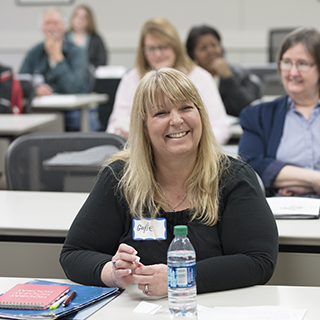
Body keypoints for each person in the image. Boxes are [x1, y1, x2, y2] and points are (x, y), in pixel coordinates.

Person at [60, 68, 278, 296]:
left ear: (201, 115)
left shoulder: (233, 177)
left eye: (186, 108)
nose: (176, 120)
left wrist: (180, 277)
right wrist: (112, 272)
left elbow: (258, 261)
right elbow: (74, 253)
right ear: (143, 125)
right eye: (161, 113)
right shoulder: (119, 177)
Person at [106, 17, 231, 145]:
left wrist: (194, 146)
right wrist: (122, 135)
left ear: (176, 47)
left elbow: (221, 127)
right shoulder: (131, 80)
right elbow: (113, 127)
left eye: (163, 47)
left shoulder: (200, 77)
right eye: (151, 49)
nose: (158, 54)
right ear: (143, 52)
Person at [239, 27, 320, 197]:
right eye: (287, 62)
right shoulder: (258, 116)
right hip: (285, 213)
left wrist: (285, 176)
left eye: (303, 64)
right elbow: (251, 166)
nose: (293, 72)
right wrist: (315, 180)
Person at [19, 7, 87, 131]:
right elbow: (20, 82)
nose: (51, 27)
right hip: (38, 110)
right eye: (47, 23)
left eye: (55, 23)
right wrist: (35, 89)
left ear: (64, 27)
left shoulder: (77, 52)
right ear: (42, 28)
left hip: (70, 111)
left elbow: (74, 87)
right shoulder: (35, 52)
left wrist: (58, 58)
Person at [186, 25, 262, 117]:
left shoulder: (240, 74)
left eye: (214, 45)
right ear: (192, 55)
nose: (210, 51)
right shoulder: (189, 79)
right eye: (203, 48)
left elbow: (249, 109)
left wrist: (229, 78)